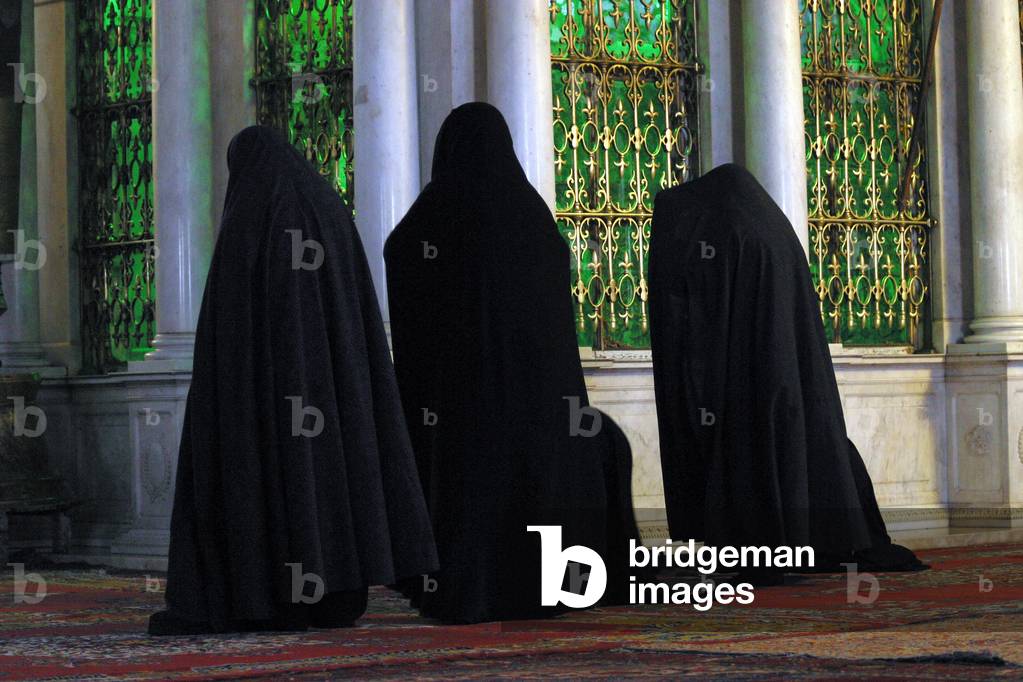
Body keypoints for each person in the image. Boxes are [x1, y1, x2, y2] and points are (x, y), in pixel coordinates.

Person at [149, 126, 439, 635]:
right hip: (334, 387)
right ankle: (336, 592)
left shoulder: (254, 208)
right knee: (325, 474)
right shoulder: (327, 205)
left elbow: (231, 331)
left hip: (268, 394)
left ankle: (266, 594)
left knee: (278, 474)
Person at [385, 103, 641, 623]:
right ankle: (547, 581)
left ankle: (472, 585)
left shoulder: (432, 218)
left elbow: (402, 261)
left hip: (460, 412)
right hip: (537, 409)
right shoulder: (534, 220)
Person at [649, 164, 925, 578]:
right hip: (783, 376)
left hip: (750, 382)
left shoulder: (723, 228)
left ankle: (763, 546)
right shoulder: (761, 225)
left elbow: (696, 324)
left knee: (755, 444)